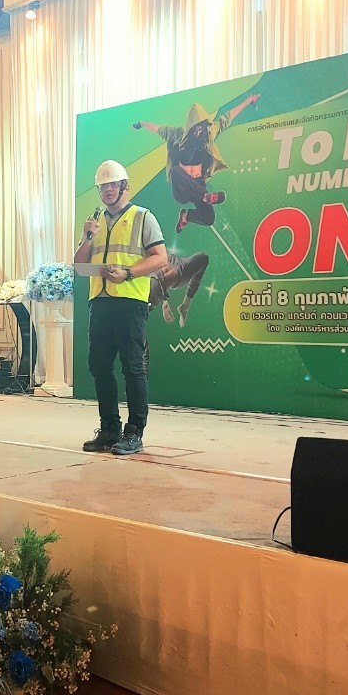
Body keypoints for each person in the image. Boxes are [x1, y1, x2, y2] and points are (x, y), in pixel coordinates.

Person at [73, 159, 169, 456]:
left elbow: (161, 257)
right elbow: (79, 263)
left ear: (124, 186)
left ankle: (134, 432)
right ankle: (110, 429)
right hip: (100, 302)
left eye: (112, 185)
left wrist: (128, 273)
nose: (107, 190)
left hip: (130, 302)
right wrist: (87, 237)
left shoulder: (143, 217)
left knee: (133, 367)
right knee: (99, 365)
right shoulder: (94, 221)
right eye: (102, 186)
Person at [133, 93, 259, 233]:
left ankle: (185, 217)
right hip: (181, 189)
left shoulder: (209, 133)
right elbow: (158, 129)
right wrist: (141, 124)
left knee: (209, 218)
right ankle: (205, 196)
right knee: (175, 170)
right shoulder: (177, 134)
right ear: (190, 127)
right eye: (196, 129)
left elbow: (227, 118)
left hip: (198, 185)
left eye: (201, 128)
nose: (199, 132)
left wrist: (248, 100)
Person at [149, 252, 211, 327]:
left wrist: (165, 304)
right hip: (165, 276)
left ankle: (185, 306)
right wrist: (165, 304)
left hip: (169, 272)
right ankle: (185, 306)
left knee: (204, 258)